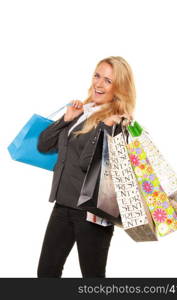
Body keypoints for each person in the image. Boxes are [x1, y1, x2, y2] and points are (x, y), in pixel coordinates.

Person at [37, 56, 136, 278]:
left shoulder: (118, 122)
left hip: (92, 212)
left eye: (108, 81)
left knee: (93, 279)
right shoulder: (83, 111)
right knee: (46, 273)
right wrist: (66, 119)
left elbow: (87, 163)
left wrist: (105, 127)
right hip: (62, 205)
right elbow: (44, 145)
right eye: (97, 76)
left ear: (119, 88)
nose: (98, 84)